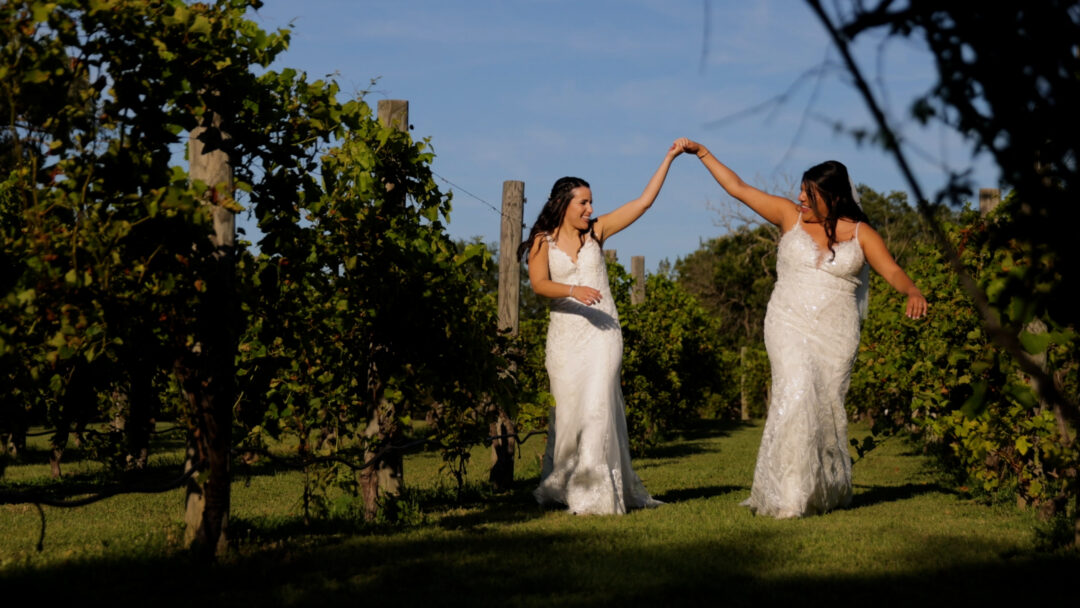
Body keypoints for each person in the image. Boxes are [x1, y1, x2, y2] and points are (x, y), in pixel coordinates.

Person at [679, 138, 927, 518]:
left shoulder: (861, 233)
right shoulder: (787, 216)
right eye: (801, 191)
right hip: (787, 321)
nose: (800, 198)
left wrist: (911, 290)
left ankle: (821, 490)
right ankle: (789, 496)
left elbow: (890, 268)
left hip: (837, 332)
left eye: (809, 194)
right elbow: (738, 188)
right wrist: (703, 154)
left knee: (825, 407)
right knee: (795, 395)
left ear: (833, 196)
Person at [519, 141, 684, 514]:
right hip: (565, 337)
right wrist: (574, 290)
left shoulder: (597, 232)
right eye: (584, 203)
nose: (591, 209)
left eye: (592, 203)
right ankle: (561, 486)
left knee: (596, 408)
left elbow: (642, 203)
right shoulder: (541, 243)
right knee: (567, 412)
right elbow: (540, 285)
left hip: (603, 335)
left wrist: (669, 158)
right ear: (563, 204)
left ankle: (594, 494)